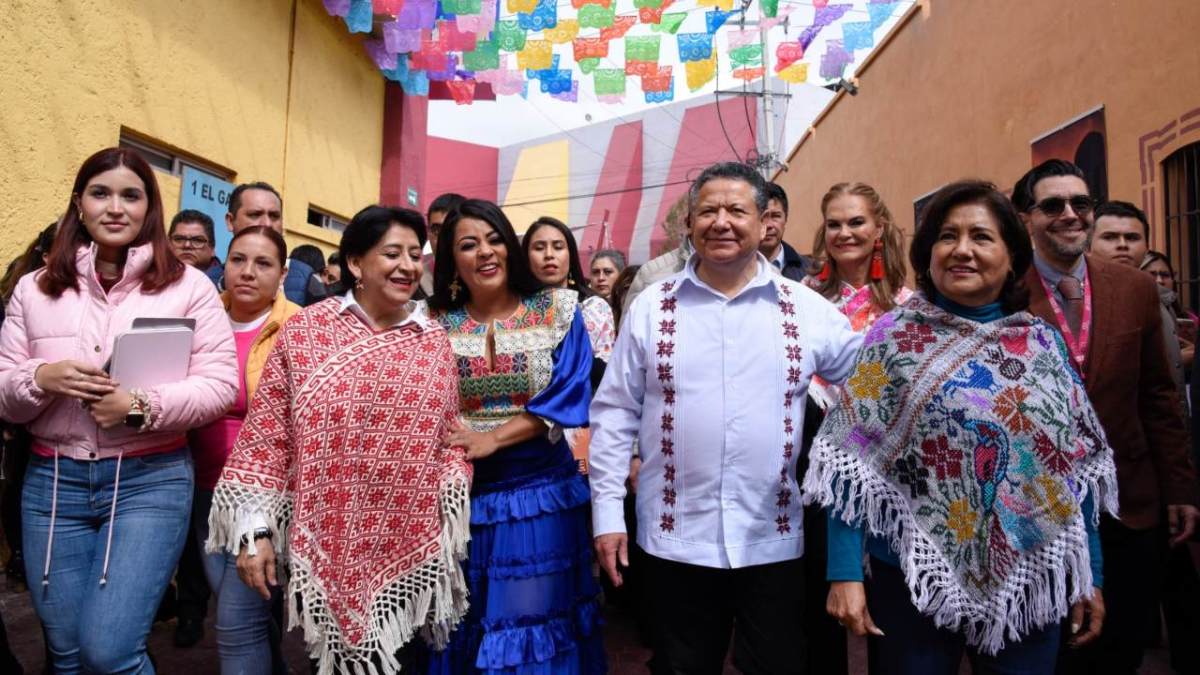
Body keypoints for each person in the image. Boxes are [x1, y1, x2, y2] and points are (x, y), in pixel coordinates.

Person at [806, 179, 1116, 674]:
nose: (962, 251)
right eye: (947, 237)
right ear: (928, 253)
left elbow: (1075, 470)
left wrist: (1088, 573)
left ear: (1013, 257)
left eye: (982, 237)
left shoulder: (1041, 345)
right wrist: (844, 572)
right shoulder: (892, 340)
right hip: (910, 576)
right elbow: (849, 466)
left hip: (1028, 573)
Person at [589, 162, 864, 674]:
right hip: (673, 541)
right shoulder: (653, 307)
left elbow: (871, 380)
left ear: (764, 224)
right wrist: (607, 514)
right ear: (689, 224)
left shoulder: (804, 309)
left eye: (737, 210)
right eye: (707, 210)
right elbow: (614, 413)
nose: (721, 222)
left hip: (773, 539)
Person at [0, 146, 237, 673]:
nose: (115, 207)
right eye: (100, 193)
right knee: (63, 652)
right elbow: (6, 396)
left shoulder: (190, 287)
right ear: (78, 204)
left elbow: (220, 385)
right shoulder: (33, 290)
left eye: (131, 195)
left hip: (149, 482)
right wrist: (40, 378)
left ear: (149, 207)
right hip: (51, 482)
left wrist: (139, 407)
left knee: (109, 652)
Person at [207, 205, 472, 674]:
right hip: (323, 538)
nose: (408, 265)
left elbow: (447, 440)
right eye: (392, 253)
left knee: (403, 662)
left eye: (415, 254)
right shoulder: (307, 331)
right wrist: (254, 532)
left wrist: (450, 494)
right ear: (355, 263)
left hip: (407, 542)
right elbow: (268, 440)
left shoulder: (433, 341)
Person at [1013, 159, 1200, 673]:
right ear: (1026, 216)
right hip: (1038, 510)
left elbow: (1159, 397)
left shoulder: (1132, 289)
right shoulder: (1003, 289)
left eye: (1081, 203)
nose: (1070, 215)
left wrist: (1180, 488)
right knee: (1051, 652)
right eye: (1053, 205)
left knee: (1122, 646)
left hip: (1129, 502)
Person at [425, 199, 605, 674]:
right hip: (459, 498)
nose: (485, 252)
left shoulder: (558, 309)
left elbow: (568, 392)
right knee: (465, 621)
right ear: (452, 261)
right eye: (468, 244)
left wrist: (494, 438)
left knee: (528, 625)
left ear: (511, 246)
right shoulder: (432, 323)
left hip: (539, 494)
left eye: (495, 239)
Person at [187, 225, 301, 673]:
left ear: (283, 274)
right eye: (238, 260)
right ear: (223, 264)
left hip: (262, 497)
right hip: (201, 489)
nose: (248, 272)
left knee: (235, 623)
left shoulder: (298, 328)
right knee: (248, 611)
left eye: (263, 263)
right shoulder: (198, 319)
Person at [523, 216, 616, 376]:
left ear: (571, 254)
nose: (549, 255)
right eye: (539, 248)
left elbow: (606, 376)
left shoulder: (593, 308)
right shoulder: (515, 310)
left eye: (558, 247)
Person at [207, 181, 317, 307]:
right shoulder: (205, 283)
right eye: (255, 214)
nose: (267, 223)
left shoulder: (306, 279)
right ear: (230, 221)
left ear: (283, 274)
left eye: (274, 216)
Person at [760, 182, 814, 280]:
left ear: (786, 219)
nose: (769, 225)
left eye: (776, 216)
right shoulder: (733, 273)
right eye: (762, 217)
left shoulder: (811, 270)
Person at [419, 193, 466, 297]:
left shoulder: (483, 278)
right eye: (436, 230)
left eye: (451, 229)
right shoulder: (415, 280)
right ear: (429, 232)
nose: (443, 238)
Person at [169, 209, 220, 274]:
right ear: (168, 244)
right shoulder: (154, 278)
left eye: (197, 240)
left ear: (212, 249)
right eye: (179, 239)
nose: (187, 245)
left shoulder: (225, 282)